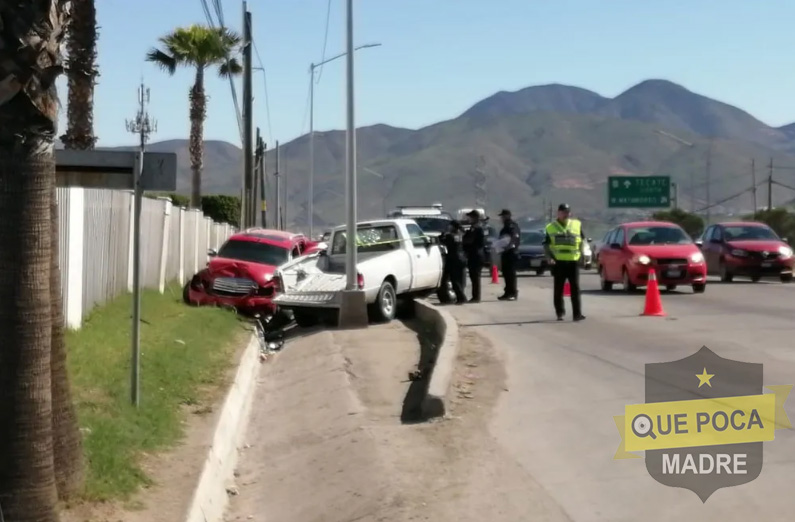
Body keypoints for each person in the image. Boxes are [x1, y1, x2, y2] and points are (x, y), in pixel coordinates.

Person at [543, 203, 586, 321]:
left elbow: (582, 241)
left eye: (567, 212)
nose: (565, 214)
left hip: (573, 261)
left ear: (570, 213)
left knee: (575, 289)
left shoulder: (576, 224)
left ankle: (577, 314)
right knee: (558, 289)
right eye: (563, 212)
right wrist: (549, 257)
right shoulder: (550, 227)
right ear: (558, 213)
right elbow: (546, 245)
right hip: (559, 262)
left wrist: (582, 256)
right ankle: (560, 312)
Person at [438, 221, 467, 305]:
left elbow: (442, 241)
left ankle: (461, 298)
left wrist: (442, 236)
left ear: (453, 227)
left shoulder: (449, 236)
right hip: (461, 258)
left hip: (453, 259)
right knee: (460, 279)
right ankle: (461, 297)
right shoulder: (461, 235)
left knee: (454, 281)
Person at [497, 209, 521, 301]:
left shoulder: (512, 225)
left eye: (503, 216)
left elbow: (514, 237)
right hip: (505, 252)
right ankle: (507, 292)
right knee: (506, 273)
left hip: (511, 252)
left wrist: (509, 246)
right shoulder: (505, 226)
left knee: (511, 274)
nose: (501, 218)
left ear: (508, 216)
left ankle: (513, 293)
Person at [462, 210, 486, 302]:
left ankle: (476, 297)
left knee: (475, 277)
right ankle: (475, 296)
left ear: (475, 218)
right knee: (473, 277)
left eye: (470, 217)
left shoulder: (477, 228)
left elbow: (469, 240)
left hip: (476, 255)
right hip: (474, 254)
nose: (469, 219)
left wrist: (462, 241)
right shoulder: (474, 227)